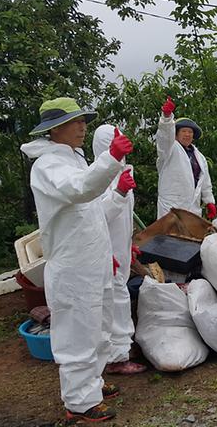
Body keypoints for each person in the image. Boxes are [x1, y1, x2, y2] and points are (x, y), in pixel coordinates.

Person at [21, 97, 133, 422]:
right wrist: (111, 159)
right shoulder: (47, 166)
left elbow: (93, 213)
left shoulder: (72, 159)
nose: (83, 126)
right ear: (55, 129)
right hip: (72, 266)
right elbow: (79, 190)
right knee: (78, 333)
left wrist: (118, 195)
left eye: (84, 120)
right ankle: (79, 403)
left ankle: (92, 384)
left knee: (97, 329)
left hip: (91, 261)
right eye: (76, 121)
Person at [92, 125, 147, 374]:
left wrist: (128, 244)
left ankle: (120, 350)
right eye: (115, 139)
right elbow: (96, 217)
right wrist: (119, 192)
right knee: (115, 303)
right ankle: (116, 359)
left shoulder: (119, 173)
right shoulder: (97, 178)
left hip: (119, 250)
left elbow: (123, 219)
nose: (122, 142)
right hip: (108, 253)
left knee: (119, 299)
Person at [156, 96, 216, 219]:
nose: (187, 134)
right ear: (176, 133)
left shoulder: (199, 156)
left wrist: (209, 200)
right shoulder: (169, 150)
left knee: (189, 237)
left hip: (192, 209)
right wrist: (166, 118)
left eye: (190, 132)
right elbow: (164, 137)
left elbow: (205, 181)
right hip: (171, 207)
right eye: (184, 131)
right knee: (169, 237)